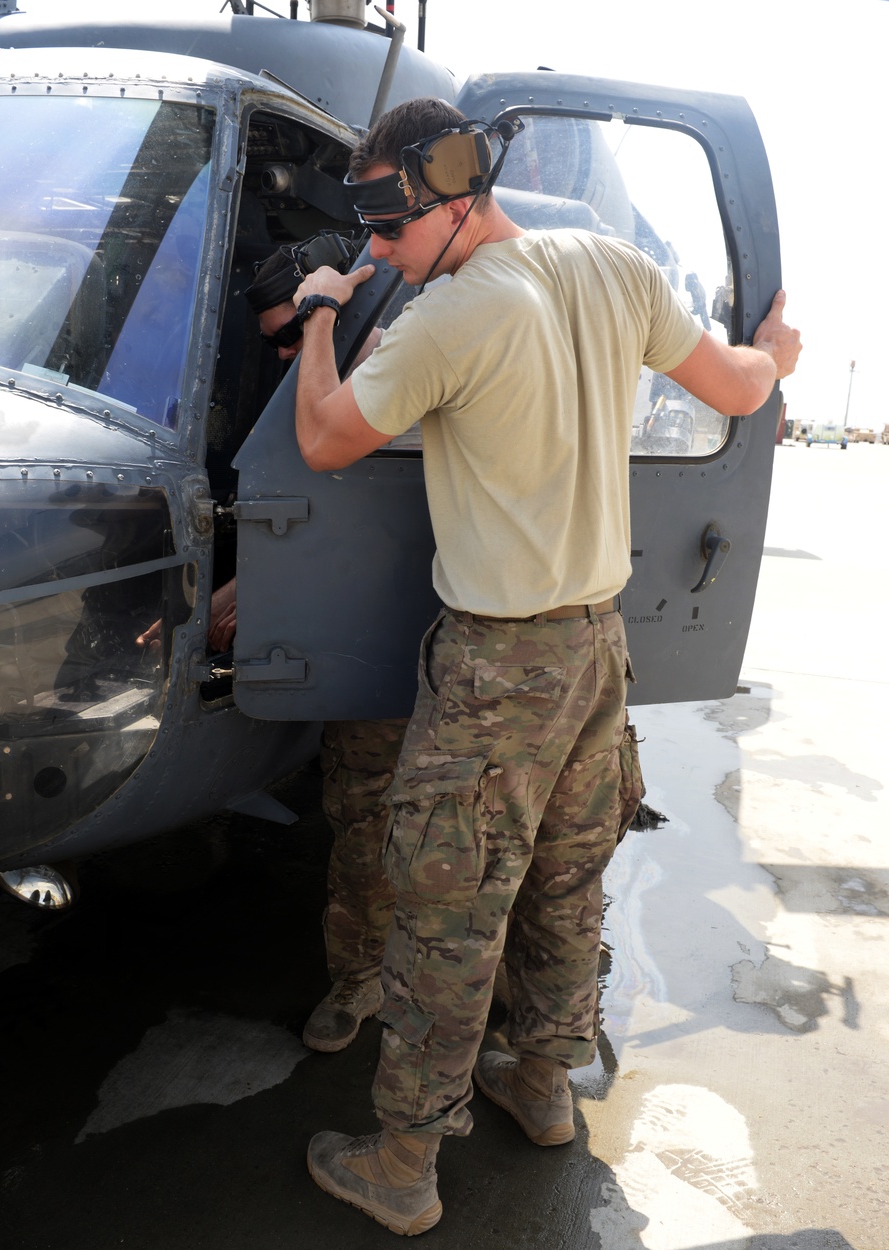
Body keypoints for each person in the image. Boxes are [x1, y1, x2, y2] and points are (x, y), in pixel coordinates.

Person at [287, 97, 801, 1236]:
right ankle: (541, 1081)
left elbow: (322, 439)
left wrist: (324, 315)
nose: (374, 248)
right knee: (567, 883)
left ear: (457, 184)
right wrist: (775, 354)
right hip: (593, 645)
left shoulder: (447, 319)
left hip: (495, 666)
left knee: (447, 908)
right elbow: (737, 389)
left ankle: (405, 1160)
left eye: (388, 222)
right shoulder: (611, 269)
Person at [137, 242, 405, 1055]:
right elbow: (299, 488)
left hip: (455, 638)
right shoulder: (320, 377)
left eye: (298, 331)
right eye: (276, 341)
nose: (288, 355)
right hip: (367, 652)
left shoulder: (412, 357)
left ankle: (511, 1002)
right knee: (363, 822)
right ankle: (359, 981)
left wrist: (260, 586)